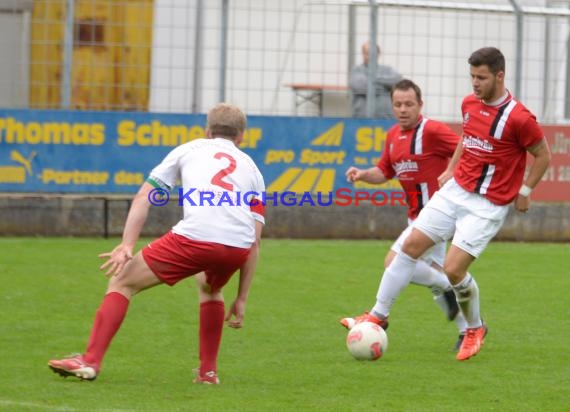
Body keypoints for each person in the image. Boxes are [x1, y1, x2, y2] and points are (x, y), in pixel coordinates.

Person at [344, 47, 551, 361]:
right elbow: (467, 139)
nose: (475, 84)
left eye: (481, 77)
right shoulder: (469, 103)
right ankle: (377, 315)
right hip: (456, 191)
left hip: (488, 204)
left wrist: (525, 189)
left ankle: (474, 327)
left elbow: (543, 155)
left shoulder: (520, 118)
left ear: (499, 76)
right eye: (472, 77)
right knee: (409, 247)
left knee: (454, 270)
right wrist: (452, 169)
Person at [48, 102, 265, 384]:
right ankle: (208, 373)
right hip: (236, 246)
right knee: (210, 288)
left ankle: (90, 361)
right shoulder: (253, 169)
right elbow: (256, 241)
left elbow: (144, 197)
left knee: (122, 282)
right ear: (242, 137)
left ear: (207, 131)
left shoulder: (189, 149)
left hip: (195, 237)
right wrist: (242, 298)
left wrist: (127, 245)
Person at [341, 78, 468, 349]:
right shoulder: (393, 137)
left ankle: (378, 316)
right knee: (435, 279)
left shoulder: (432, 130)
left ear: (420, 105)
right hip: (416, 217)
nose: (403, 109)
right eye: (397, 104)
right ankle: (466, 329)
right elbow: (384, 171)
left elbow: (467, 150)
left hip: (437, 216)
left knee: (394, 262)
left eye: (409, 104)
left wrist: (451, 171)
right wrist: (363, 174)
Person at [350, 41, 402, 119]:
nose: (368, 56)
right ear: (362, 54)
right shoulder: (357, 70)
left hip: (385, 119)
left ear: (378, 54)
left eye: (372, 53)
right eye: (366, 53)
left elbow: (398, 81)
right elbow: (360, 87)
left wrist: (374, 80)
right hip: (361, 119)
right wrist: (386, 88)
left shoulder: (387, 69)